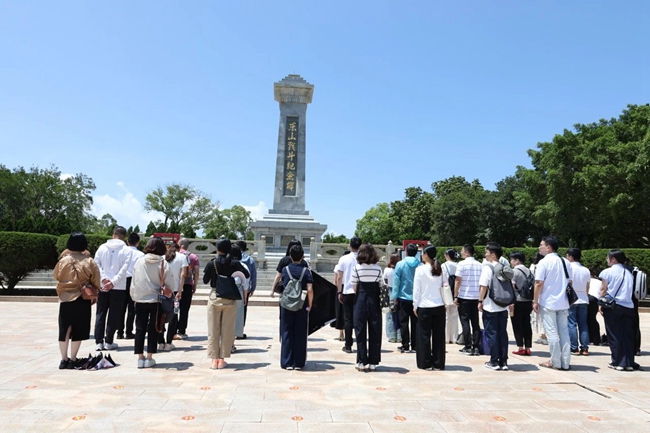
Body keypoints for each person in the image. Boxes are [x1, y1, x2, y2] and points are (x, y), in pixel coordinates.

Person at [53, 232, 101, 369]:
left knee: (64, 329)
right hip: (82, 298)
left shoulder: (63, 260)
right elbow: (96, 280)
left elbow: (56, 275)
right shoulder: (89, 261)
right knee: (78, 329)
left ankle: (63, 359)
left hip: (65, 298)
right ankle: (73, 358)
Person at [203, 239, 250, 369]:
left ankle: (214, 360)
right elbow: (245, 274)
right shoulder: (234, 263)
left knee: (213, 329)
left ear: (217, 249)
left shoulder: (212, 263)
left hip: (215, 296)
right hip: (230, 297)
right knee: (227, 329)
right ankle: (222, 359)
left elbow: (205, 280)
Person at [130, 237, 175, 369]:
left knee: (139, 328)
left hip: (140, 298)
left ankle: (140, 357)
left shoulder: (139, 261)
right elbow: (171, 284)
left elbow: (134, 280)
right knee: (154, 328)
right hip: (156, 300)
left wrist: (134, 296)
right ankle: (149, 357)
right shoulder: (163, 263)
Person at [533, 236, 572, 371]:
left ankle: (555, 361)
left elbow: (539, 283)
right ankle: (565, 361)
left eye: (541, 245)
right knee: (564, 333)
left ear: (548, 247)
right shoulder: (565, 262)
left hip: (548, 302)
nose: (539, 247)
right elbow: (569, 281)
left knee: (552, 333)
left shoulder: (544, 262)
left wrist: (535, 301)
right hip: (564, 302)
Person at [93, 226, 132, 351]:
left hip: (103, 285)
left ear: (113, 234)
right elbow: (124, 269)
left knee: (100, 313)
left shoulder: (102, 247)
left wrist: (104, 279)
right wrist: (113, 282)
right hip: (119, 286)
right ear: (124, 237)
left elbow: (96, 265)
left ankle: (99, 341)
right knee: (114, 313)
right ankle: (109, 340)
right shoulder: (127, 250)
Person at [599, 250, 635, 371]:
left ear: (613, 259)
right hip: (629, 306)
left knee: (614, 334)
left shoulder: (607, 272)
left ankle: (618, 361)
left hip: (614, 306)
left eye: (608, 258)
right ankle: (629, 362)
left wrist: (601, 303)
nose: (607, 260)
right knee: (627, 335)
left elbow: (604, 289)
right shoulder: (629, 272)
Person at [279, 244, 314, 370]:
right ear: (303, 256)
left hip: (287, 304)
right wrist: (310, 304)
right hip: (301, 304)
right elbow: (309, 289)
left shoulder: (285, 270)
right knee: (300, 332)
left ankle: (286, 362)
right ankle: (298, 362)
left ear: (290, 256)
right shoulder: (306, 271)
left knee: (287, 332)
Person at [479, 242, 513, 370]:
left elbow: (483, 287)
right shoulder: (505, 268)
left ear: (493, 254)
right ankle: (503, 361)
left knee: (492, 333)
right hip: (503, 306)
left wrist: (480, 301)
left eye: (487, 252)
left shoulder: (488, 268)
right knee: (502, 333)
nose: (485, 254)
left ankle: (494, 361)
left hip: (490, 306)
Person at [350, 243, 383, 372]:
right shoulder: (378, 268)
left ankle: (361, 361)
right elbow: (381, 285)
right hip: (374, 301)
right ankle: (374, 362)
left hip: (360, 301)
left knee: (360, 331)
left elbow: (354, 286)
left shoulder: (357, 268)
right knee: (375, 331)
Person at [413, 246, 446, 371]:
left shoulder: (420, 270)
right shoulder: (440, 269)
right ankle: (438, 363)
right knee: (438, 336)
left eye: (422, 253)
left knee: (423, 336)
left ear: (426, 254)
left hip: (424, 306)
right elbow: (446, 286)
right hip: (439, 305)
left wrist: (415, 305)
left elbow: (417, 290)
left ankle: (425, 363)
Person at [391, 243, 422, 354]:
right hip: (416, 299)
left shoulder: (400, 264)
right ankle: (415, 345)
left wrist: (394, 297)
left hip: (403, 297)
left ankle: (405, 345)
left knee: (403, 322)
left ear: (406, 252)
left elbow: (396, 282)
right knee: (416, 323)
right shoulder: (420, 265)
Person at [157, 242, 187, 352]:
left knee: (161, 315)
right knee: (173, 316)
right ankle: (169, 342)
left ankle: (160, 342)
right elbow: (183, 274)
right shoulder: (182, 257)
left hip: (163, 290)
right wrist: (180, 290)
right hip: (175, 290)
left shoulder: (162, 257)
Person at [454, 244, 483, 356]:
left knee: (465, 321)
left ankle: (467, 345)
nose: (461, 252)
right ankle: (476, 346)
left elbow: (458, 281)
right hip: (476, 297)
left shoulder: (461, 264)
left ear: (466, 252)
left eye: (462, 250)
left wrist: (455, 295)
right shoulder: (480, 265)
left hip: (464, 296)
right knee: (475, 322)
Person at [336, 237, 362, 354]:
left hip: (347, 291)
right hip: (360, 292)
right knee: (360, 319)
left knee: (348, 318)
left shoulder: (344, 259)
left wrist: (339, 291)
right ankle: (361, 344)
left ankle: (348, 345)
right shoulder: (364, 258)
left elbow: (339, 276)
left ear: (350, 246)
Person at [119, 232, 144, 340]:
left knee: (121, 308)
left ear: (127, 242)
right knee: (131, 309)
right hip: (134, 281)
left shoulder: (121, 252)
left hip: (121, 281)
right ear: (138, 243)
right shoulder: (141, 255)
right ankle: (128, 332)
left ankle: (119, 332)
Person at [566, 248, 591, 356]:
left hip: (572, 299)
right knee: (583, 325)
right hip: (583, 299)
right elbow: (587, 287)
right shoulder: (586, 270)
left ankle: (574, 347)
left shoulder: (569, 268)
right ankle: (585, 348)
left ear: (571, 257)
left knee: (571, 324)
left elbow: (568, 284)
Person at [175, 238, 200, 340]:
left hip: (175, 285)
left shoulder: (173, 255)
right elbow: (197, 273)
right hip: (187, 285)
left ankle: (173, 329)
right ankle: (181, 330)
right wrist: (195, 285)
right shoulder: (193, 257)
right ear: (187, 246)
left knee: (175, 308)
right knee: (184, 309)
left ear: (179, 244)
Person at [509, 251, 533, 356]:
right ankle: (528, 347)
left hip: (517, 300)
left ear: (517, 260)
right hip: (528, 300)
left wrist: (510, 301)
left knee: (517, 324)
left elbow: (511, 287)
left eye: (512, 260)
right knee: (527, 324)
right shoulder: (529, 271)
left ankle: (520, 347)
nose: (511, 262)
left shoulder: (514, 271)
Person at [236, 240, 257, 339]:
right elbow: (253, 275)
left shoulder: (232, 259)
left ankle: (230, 330)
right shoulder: (250, 260)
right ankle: (240, 331)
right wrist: (252, 288)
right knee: (243, 309)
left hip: (233, 287)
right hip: (245, 289)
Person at [230, 245, 248, 345]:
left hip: (224, 292)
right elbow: (246, 284)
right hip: (238, 292)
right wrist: (245, 297)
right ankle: (231, 344)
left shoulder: (225, 264)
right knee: (236, 318)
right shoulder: (243, 266)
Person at [530, 253, 548, 345]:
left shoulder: (533, 266)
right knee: (544, 316)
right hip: (545, 292)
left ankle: (542, 335)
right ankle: (544, 335)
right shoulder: (546, 264)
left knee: (537, 315)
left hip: (536, 292)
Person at [383, 253, 401, 344]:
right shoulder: (400, 269)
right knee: (399, 315)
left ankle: (391, 336)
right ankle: (399, 335)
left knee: (389, 316)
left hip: (389, 291)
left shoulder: (387, 270)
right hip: (399, 292)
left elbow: (384, 281)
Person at [442, 249, 459, 344]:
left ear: (448, 256)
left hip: (446, 291)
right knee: (455, 315)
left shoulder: (443, 266)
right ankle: (454, 337)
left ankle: (446, 338)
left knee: (446, 316)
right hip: (456, 292)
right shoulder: (458, 265)